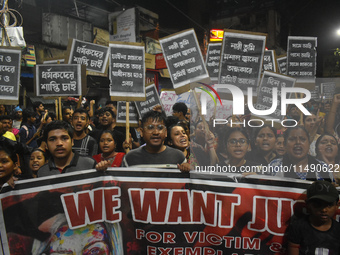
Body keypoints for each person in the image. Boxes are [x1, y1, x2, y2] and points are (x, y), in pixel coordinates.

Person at [37, 121, 108, 177]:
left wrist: (103, 173)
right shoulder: (42, 172)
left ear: (72, 142)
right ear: (46, 145)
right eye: (52, 139)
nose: (59, 143)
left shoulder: (89, 164)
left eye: (64, 138)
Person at [287, 180, 340, 255]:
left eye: (329, 205)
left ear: (337, 206)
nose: (324, 210)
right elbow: (293, 248)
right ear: (308, 205)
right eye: (317, 204)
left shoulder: (338, 230)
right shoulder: (298, 226)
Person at [122, 110, 186, 169]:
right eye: (150, 128)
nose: (156, 132)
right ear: (141, 132)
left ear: (166, 132)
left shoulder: (179, 157)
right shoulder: (130, 158)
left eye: (160, 128)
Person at [269, 126, 334, 181]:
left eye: (302, 139)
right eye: (292, 139)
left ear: (309, 143)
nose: (298, 142)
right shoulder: (274, 166)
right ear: (285, 144)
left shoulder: (323, 167)